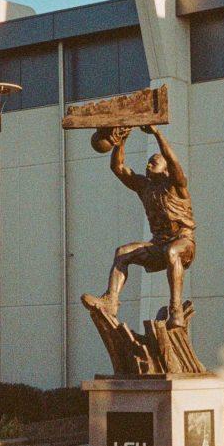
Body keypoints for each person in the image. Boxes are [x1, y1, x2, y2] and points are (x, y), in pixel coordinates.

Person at [83, 124, 195, 330]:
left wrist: (157, 133)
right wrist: (121, 140)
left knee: (172, 251)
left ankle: (175, 310)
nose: (148, 165)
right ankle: (111, 301)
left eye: (154, 162)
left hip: (183, 243)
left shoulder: (177, 185)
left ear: (166, 168)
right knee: (123, 252)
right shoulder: (145, 187)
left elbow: (173, 161)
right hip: (158, 245)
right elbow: (118, 168)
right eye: (148, 162)